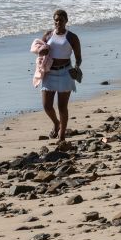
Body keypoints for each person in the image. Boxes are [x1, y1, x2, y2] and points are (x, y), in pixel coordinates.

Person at [37, 9, 82, 142]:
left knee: (62, 107)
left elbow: (78, 58)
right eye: (56, 20)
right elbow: (39, 51)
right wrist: (41, 53)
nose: (58, 22)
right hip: (50, 73)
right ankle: (56, 123)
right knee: (47, 106)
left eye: (61, 20)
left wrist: (76, 67)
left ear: (66, 21)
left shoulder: (72, 37)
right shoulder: (48, 35)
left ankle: (62, 135)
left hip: (65, 73)